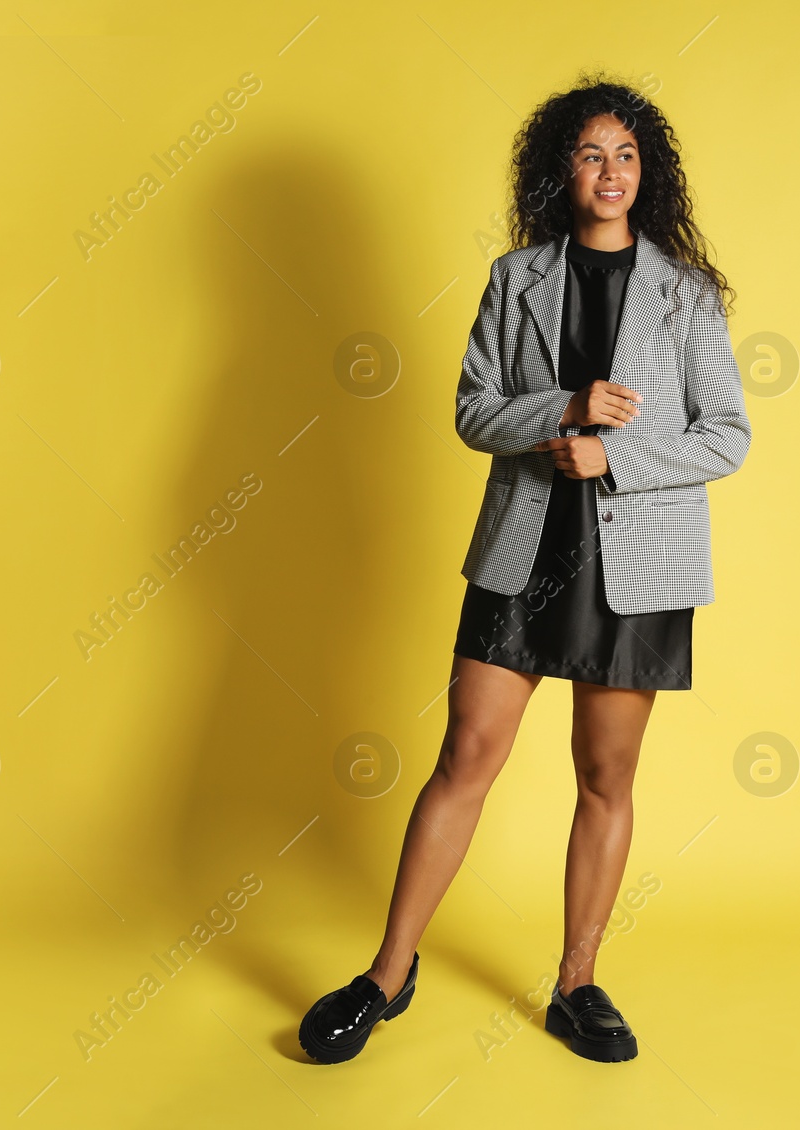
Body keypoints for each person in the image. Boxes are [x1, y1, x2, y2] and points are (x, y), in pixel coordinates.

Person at [298, 72, 750, 1066]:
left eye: (627, 154)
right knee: (466, 753)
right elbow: (471, 408)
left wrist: (616, 455)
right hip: (525, 546)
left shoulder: (685, 294)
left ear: (649, 172)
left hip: (637, 562)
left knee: (604, 772)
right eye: (591, 153)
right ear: (562, 169)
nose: (610, 171)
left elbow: (727, 435)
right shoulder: (517, 279)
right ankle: (387, 972)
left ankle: (576, 983)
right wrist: (561, 411)